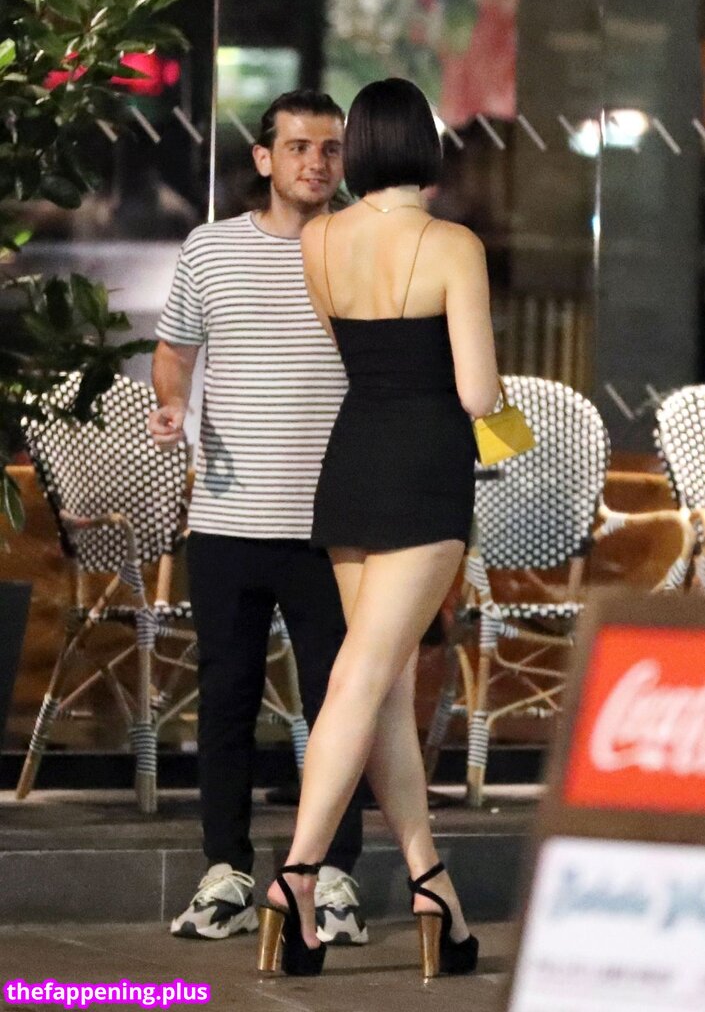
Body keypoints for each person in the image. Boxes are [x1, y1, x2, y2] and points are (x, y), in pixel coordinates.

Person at [256, 78, 499, 979]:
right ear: (424, 147)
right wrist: (499, 409)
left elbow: (352, 351)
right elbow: (476, 393)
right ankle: (298, 874)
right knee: (364, 677)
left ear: (356, 147)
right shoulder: (452, 244)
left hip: (351, 460)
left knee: (384, 686)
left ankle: (431, 882)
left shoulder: (319, 238)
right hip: (424, 472)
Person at [148, 90, 367, 945]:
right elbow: (174, 353)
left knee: (338, 703)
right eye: (300, 146)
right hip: (227, 518)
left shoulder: (361, 247)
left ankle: (334, 874)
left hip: (333, 525)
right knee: (227, 699)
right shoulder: (210, 248)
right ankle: (226, 873)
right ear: (264, 158)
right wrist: (174, 406)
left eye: (331, 148)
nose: (317, 162)